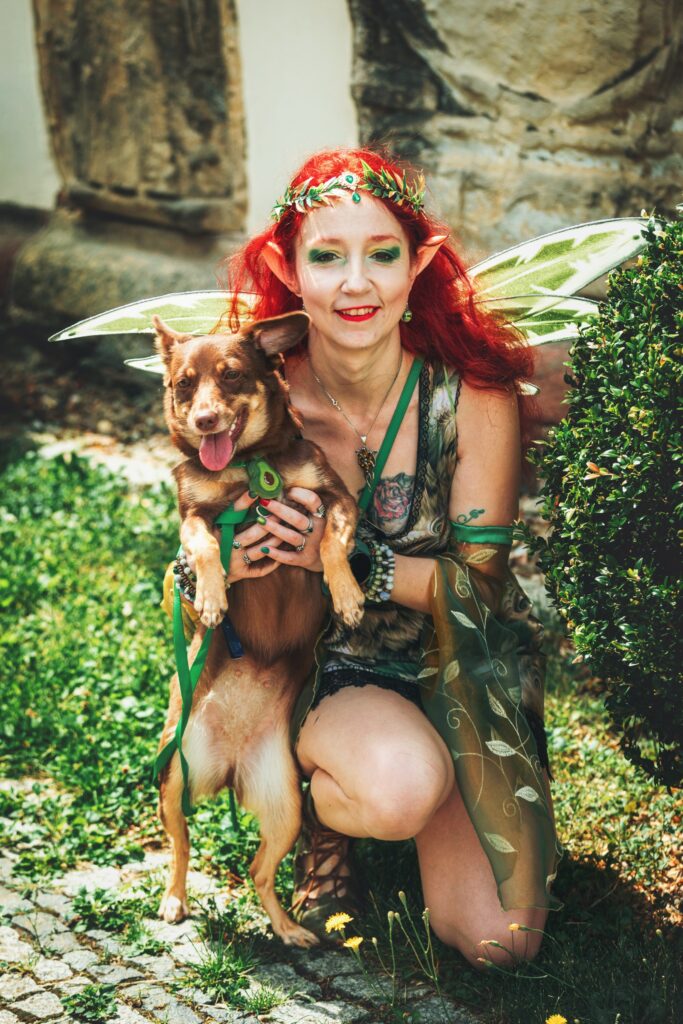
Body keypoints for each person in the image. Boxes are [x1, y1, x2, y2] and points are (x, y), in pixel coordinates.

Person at [217, 148, 562, 967]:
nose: (355, 284)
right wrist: (232, 566)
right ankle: (331, 813)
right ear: (287, 269)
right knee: (398, 787)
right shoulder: (251, 396)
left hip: (459, 667)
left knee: (500, 945)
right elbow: (201, 560)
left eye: (381, 254)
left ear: (420, 263)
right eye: (326, 257)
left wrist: (348, 558)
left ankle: (438, 785)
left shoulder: (470, 394)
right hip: (329, 672)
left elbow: (479, 590)